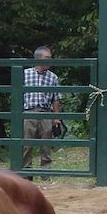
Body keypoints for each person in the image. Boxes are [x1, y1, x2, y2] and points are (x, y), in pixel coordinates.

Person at [22, 45, 61, 178]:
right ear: (38, 58)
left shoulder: (53, 77)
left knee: (46, 144)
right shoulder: (24, 74)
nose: (50, 60)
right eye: (47, 58)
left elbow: (56, 98)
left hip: (45, 112)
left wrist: (56, 117)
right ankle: (27, 172)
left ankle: (46, 172)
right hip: (28, 112)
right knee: (26, 144)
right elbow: (17, 95)